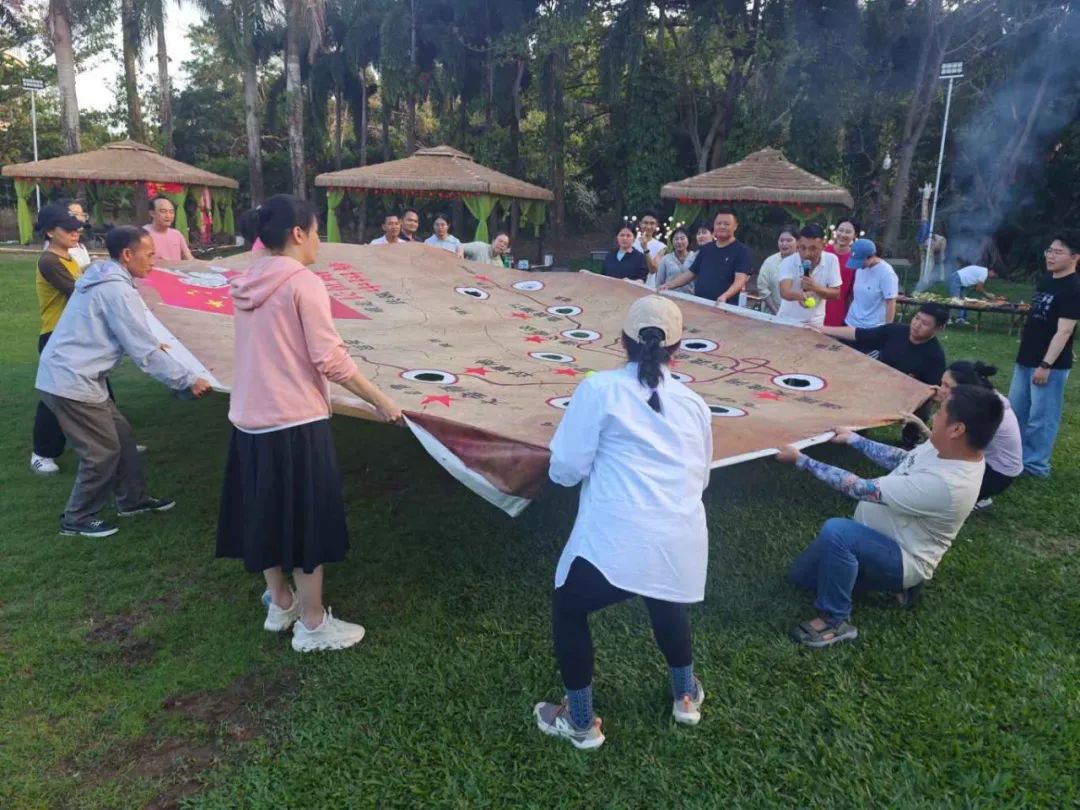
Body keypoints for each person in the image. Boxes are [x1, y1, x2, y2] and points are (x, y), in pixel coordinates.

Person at [216, 194, 403, 653]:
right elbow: (329, 358)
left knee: (265, 512)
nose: (320, 241)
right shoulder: (303, 283)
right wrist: (380, 400)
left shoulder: (247, 279)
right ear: (298, 234)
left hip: (249, 420)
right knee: (305, 520)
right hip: (294, 421)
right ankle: (313, 623)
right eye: (317, 232)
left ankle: (281, 603)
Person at [534, 295, 713, 749]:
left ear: (622, 341)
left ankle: (580, 721)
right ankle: (685, 694)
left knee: (569, 607)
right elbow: (701, 476)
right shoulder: (695, 403)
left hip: (615, 542)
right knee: (664, 591)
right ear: (678, 349)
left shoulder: (599, 389)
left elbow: (566, 468)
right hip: (681, 537)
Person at [775, 384, 1002, 648]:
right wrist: (854, 439)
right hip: (879, 538)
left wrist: (802, 460)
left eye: (940, 412)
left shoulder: (948, 484)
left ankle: (835, 620)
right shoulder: (948, 448)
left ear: (957, 429)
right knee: (800, 577)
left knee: (837, 533)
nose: (934, 417)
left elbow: (859, 488)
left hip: (903, 556)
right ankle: (866, 576)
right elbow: (904, 459)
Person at [35, 226, 211, 538]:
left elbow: (132, 336)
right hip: (71, 380)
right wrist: (186, 380)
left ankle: (132, 500)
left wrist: (157, 347)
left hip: (78, 376)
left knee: (123, 439)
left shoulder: (105, 279)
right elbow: (144, 352)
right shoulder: (116, 290)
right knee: (101, 452)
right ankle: (77, 517)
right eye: (149, 254)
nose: (154, 260)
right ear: (127, 255)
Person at [819, 302, 948, 448]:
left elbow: (934, 392)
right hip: (877, 385)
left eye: (925, 323)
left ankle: (910, 440)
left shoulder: (935, 356)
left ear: (939, 328)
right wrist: (822, 329)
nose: (917, 325)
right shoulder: (896, 331)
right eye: (916, 318)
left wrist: (913, 387)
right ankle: (854, 427)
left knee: (924, 407)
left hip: (906, 397)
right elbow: (860, 334)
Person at [1007, 233, 1080, 478]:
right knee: (1016, 411)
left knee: (1042, 417)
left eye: (1058, 252)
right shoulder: (1046, 280)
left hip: (1049, 365)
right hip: (1026, 358)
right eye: (1049, 250)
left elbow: (1065, 330)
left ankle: (1036, 465)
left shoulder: (1073, 288)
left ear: (1075, 257)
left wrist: (1046, 364)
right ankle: (1014, 457)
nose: (1050, 256)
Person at [904, 361, 1022, 510]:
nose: (941, 389)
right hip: (991, 464)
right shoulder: (984, 398)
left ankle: (979, 494)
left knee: (928, 484)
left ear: (965, 388)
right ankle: (980, 495)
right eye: (942, 383)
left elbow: (940, 443)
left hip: (995, 474)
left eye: (947, 386)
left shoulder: (978, 411)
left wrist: (918, 423)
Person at [30, 204, 88, 475]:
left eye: (76, 228)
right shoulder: (50, 261)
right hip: (56, 336)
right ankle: (42, 453)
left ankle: (114, 441)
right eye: (69, 229)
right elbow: (79, 292)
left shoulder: (69, 258)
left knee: (99, 391)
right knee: (54, 397)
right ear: (51, 232)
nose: (76, 233)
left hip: (75, 334)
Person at [658, 207, 753, 306]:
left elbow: (739, 281)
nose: (722, 226)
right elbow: (690, 274)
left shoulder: (742, 251)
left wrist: (725, 296)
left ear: (735, 226)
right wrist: (669, 285)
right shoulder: (706, 249)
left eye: (726, 224)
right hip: (700, 304)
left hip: (724, 306)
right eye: (719, 223)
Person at [775, 224, 842, 327]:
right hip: (787, 320)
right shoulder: (788, 262)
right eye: (803, 248)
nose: (807, 253)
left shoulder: (831, 260)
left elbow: (836, 293)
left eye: (813, 248)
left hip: (815, 323)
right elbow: (784, 292)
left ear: (823, 245)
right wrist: (801, 296)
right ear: (798, 245)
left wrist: (815, 287)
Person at [845, 238, 899, 328]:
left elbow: (890, 303)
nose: (858, 265)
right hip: (851, 322)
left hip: (872, 327)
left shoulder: (887, 273)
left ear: (871, 257)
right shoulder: (860, 268)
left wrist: (887, 329)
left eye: (861, 261)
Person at [755, 226, 798, 315]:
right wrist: (776, 312)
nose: (784, 244)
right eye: (781, 240)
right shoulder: (770, 262)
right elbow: (762, 288)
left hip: (797, 315)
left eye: (789, 240)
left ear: (797, 242)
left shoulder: (803, 262)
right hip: (771, 314)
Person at [824, 218, 858, 326]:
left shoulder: (855, 259)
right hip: (817, 302)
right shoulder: (824, 251)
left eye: (848, 232)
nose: (843, 234)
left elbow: (852, 292)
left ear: (855, 235)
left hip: (838, 308)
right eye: (841, 230)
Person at [144, 196, 194, 261]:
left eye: (171, 212)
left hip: (176, 267)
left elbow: (189, 258)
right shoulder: (144, 234)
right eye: (163, 211)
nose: (168, 216)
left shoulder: (177, 234)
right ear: (152, 213)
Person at [51, 198, 92, 268]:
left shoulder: (80, 246)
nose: (80, 218)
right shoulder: (57, 249)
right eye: (75, 214)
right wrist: (91, 266)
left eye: (82, 214)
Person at [654, 227, 695, 293]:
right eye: (676, 239)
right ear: (672, 241)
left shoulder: (695, 257)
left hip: (691, 297)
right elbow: (659, 282)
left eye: (682, 238)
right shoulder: (665, 259)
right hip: (669, 297)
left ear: (688, 240)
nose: (679, 241)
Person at [633, 210, 666, 278]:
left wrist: (645, 249)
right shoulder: (632, 242)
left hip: (649, 283)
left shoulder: (661, 247)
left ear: (656, 225)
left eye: (652, 223)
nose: (648, 227)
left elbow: (653, 270)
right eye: (645, 223)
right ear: (640, 224)